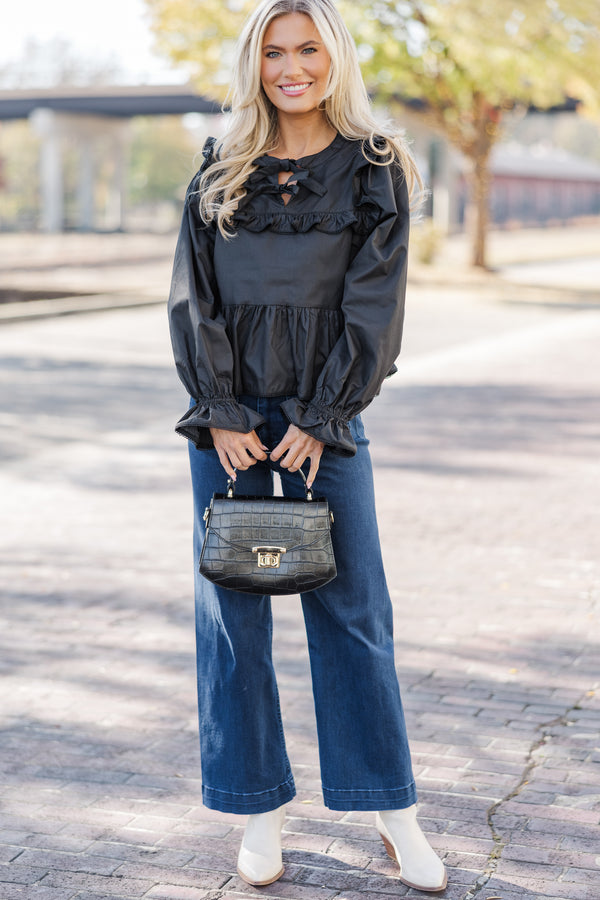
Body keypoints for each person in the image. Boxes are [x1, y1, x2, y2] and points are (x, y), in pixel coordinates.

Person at [167, 0, 447, 892]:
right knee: (235, 618)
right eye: (275, 52)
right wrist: (219, 409)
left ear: (336, 59)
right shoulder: (221, 165)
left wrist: (324, 415)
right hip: (229, 422)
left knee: (353, 611)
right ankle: (257, 809)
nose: (292, 67)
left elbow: (377, 306)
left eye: (309, 50)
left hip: (325, 421)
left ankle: (391, 810)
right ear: (255, 64)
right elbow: (193, 293)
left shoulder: (375, 169)